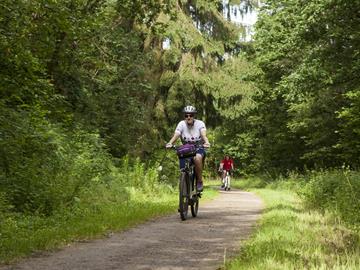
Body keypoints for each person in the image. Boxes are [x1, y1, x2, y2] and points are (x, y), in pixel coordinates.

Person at [166, 105, 210, 191]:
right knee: (183, 168)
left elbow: (203, 134)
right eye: (186, 115)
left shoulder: (200, 123)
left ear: (194, 116)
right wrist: (170, 143)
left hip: (198, 147)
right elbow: (177, 134)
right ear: (184, 116)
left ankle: (199, 181)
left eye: (191, 115)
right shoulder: (181, 124)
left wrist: (206, 142)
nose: (188, 117)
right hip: (186, 148)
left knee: (197, 158)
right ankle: (184, 184)